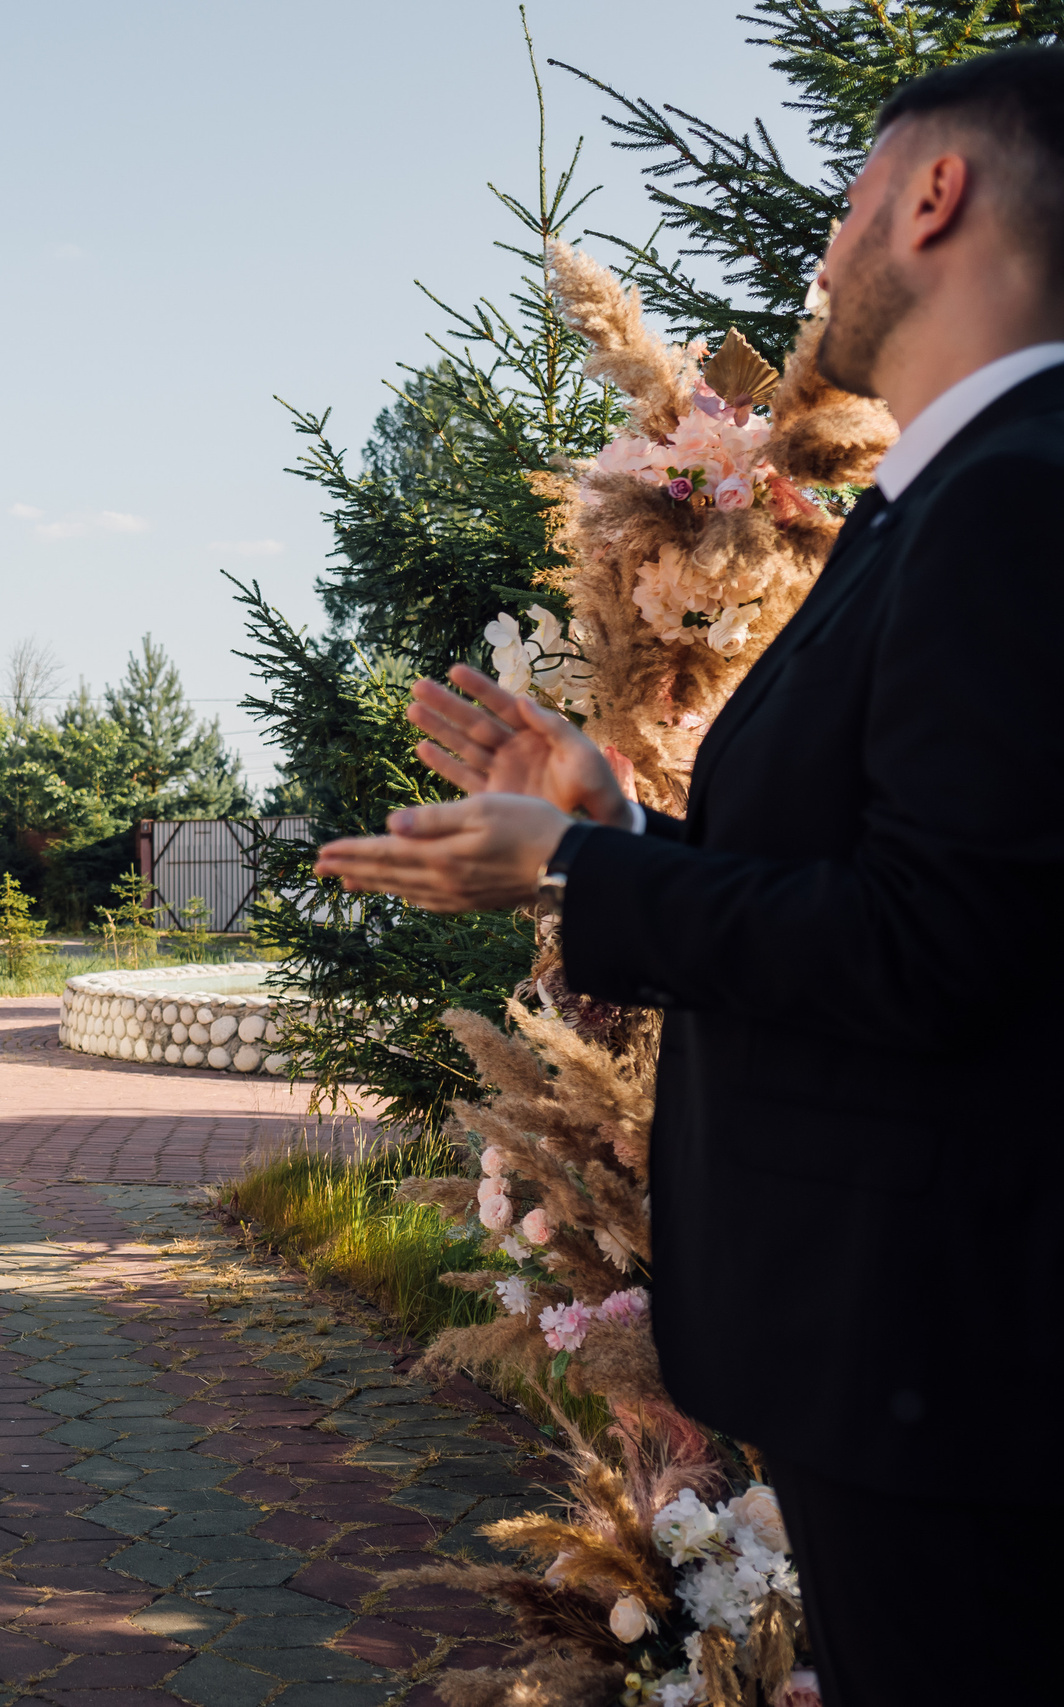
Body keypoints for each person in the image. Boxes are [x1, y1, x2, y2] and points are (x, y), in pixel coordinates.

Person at [310, 49, 1064, 1706]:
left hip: (952, 1362)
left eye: (854, 199)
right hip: (901, 1363)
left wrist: (578, 867)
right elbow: (903, 875)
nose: (826, 243)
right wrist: (617, 821)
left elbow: (945, 945)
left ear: (935, 197)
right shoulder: (936, 506)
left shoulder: (1016, 499)